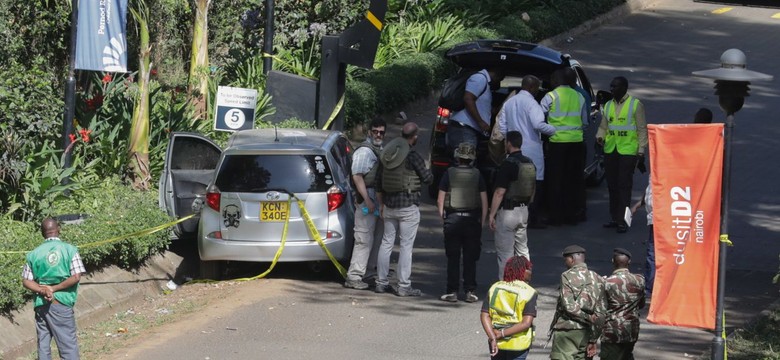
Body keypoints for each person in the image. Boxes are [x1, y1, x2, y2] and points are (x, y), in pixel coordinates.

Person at [375, 122, 433, 296]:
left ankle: (381, 282)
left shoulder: (388, 153)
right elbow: (428, 178)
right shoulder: (413, 156)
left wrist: (381, 204)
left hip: (389, 205)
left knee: (386, 243)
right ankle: (403, 286)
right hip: (408, 206)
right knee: (406, 246)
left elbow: (378, 181)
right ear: (414, 137)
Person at [22, 218, 86, 360]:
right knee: (68, 346)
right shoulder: (70, 250)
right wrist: (54, 289)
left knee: (43, 346)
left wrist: (43, 290)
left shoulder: (33, 254)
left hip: (41, 305)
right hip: (61, 304)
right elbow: (76, 276)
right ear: (59, 230)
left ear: (42, 233)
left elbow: (26, 281)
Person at [496, 75, 556, 229]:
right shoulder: (532, 104)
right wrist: (553, 130)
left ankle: (511, 214)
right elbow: (538, 124)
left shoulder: (509, 102)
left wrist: (509, 138)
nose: (537, 91)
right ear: (531, 87)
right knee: (536, 182)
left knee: (513, 182)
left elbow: (501, 125)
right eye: (536, 88)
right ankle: (532, 218)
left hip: (514, 147)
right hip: (532, 148)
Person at [437, 142, 488, 303]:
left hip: (453, 219)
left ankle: (452, 291)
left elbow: (440, 199)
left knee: (453, 257)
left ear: (458, 157)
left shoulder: (449, 173)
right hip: (472, 220)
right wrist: (482, 221)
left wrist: (443, 218)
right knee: (470, 257)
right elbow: (484, 200)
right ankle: (470, 291)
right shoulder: (478, 174)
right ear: (472, 158)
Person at [597, 76, 647, 234]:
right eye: (611, 86)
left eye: (616, 87)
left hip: (628, 151)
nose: (612, 89)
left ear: (625, 88)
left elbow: (642, 129)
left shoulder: (635, 105)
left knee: (624, 186)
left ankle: (623, 220)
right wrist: (599, 137)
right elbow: (604, 126)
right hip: (611, 149)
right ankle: (614, 217)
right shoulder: (608, 105)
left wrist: (641, 151)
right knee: (612, 186)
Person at [541, 68, 589, 226]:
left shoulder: (551, 96)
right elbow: (584, 122)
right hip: (576, 143)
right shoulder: (579, 96)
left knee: (555, 180)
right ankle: (573, 214)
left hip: (557, 143)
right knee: (574, 180)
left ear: (556, 80)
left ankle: (556, 215)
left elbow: (538, 118)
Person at [344, 117, 386, 290]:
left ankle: (367, 273)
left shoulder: (378, 149)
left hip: (375, 199)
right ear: (369, 132)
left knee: (375, 238)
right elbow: (357, 176)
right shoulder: (364, 151)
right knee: (363, 239)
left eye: (381, 132)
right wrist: (368, 200)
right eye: (375, 131)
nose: (378, 134)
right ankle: (354, 276)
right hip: (366, 199)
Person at [489, 131, 536, 279]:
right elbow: (533, 188)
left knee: (505, 253)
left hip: (508, 212)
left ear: (508, 143)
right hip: (523, 211)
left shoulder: (508, 164)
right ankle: (525, 282)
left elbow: (499, 192)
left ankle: (506, 286)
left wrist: (492, 214)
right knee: (523, 250)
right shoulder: (529, 163)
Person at [549, 245, 607, 360]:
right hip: (587, 332)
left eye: (566, 260)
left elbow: (569, 307)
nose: (565, 263)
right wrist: (593, 339)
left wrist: (587, 317)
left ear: (571, 259)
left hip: (567, 330)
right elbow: (601, 312)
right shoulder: (597, 278)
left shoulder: (566, 276)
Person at [480, 256, 537, 360]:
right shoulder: (529, 292)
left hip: (496, 341)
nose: (531, 272)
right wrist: (502, 334)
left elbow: (484, 315)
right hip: (518, 344)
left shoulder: (495, 287)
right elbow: (526, 323)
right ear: (522, 271)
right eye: (528, 269)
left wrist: (493, 337)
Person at [447, 67, 507, 157]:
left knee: (465, 162)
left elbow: (480, 105)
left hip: (469, 130)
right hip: (464, 129)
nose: (499, 82)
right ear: (497, 74)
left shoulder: (484, 83)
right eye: (500, 79)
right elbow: (468, 99)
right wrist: (481, 122)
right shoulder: (480, 78)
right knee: (465, 163)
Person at [600, 248, 646, 360]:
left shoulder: (606, 283)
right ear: (629, 262)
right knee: (627, 356)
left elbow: (601, 308)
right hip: (632, 329)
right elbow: (641, 304)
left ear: (612, 261)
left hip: (612, 331)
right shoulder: (640, 280)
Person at [630, 183, 654, 298]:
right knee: (651, 254)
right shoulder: (654, 172)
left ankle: (650, 288)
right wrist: (638, 205)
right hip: (653, 218)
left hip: (659, 218)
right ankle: (649, 286)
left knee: (652, 255)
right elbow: (649, 190)